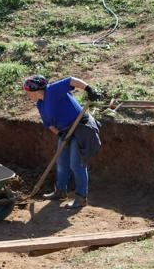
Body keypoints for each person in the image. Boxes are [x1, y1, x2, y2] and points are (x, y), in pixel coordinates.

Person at [22, 75, 102, 210]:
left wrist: (88, 89)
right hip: (65, 132)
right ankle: (60, 192)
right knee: (61, 162)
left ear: (36, 90)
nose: (27, 95)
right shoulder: (40, 104)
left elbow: (71, 80)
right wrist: (60, 134)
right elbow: (49, 124)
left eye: (28, 92)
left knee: (76, 164)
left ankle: (81, 198)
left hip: (81, 127)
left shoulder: (52, 91)